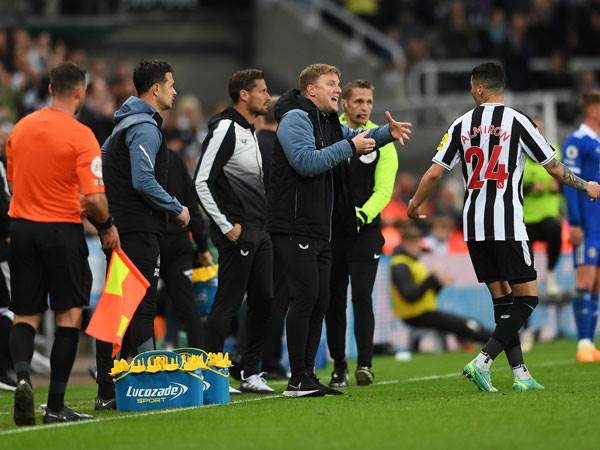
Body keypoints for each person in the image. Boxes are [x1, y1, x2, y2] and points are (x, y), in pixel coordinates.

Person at [407, 62, 600, 393]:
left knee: (503, 300)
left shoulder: (460, 124)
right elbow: (553, 168)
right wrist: (587, 186)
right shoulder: (519, 121)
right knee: (528, 299)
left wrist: (414, 203)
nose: (471, 91)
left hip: (473, 226)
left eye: (471, 86)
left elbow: (436, 173)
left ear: (480, 89)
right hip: (507, 222)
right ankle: (483, 360)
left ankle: (520, 374)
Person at [267, 63, 411, 398]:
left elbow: (356, 138)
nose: (337, 89)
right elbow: (306, 161)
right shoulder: (295, 119)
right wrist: (349, 149)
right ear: (311, 90)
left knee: (319, 299)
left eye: (338, 83)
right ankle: (297, 378)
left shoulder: (326, 121)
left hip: (318, 226)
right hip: (293, 224)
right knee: (305, 298)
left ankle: (306, 376)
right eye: (332, 84)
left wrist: (387, 133)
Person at [7, 62, 120, 425]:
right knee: (69, 313)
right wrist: (107, 226)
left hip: (21, 229)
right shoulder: (81, 135)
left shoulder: (20, 129)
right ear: (80, 92)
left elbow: (13, 178)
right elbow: (96, 201)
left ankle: (23, 376)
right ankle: (55, 404)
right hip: (61, 230)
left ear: (51, 88)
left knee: (25, 315)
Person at [96, 59, 190, 409]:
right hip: (138, 230)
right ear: (155, 89)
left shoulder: (121, 124)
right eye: (171, 83)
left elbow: (103, 165)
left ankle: (106, 391)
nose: (174, 90)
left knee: (115, 308)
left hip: (121, 228)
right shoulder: (144, 127)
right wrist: (175, 207)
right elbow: (143, 180)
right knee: (142, 307)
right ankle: (149, 387)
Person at [194, 69, 275, 394]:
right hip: (238, 233)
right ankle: (213, 373)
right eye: (262, 91)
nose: (267, 96)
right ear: (245, 95)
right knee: (227, 303)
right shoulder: (226, 127)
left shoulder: (249, 130)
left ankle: (249, 370)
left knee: (264, 300)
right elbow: (201, 179)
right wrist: (226, 225)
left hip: (259, 230)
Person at [326, 80, 398, 388]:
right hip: (331, 230)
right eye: (358, 101)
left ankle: (365, 364)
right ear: (344, 104)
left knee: (362, 298)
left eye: (368, 101)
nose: (364, 107)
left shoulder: (383, 139)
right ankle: (339, 366)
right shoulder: (330, 133)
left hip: (365, 231)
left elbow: (384, 188)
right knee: (333, 300)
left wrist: (361, 215)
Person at [391, 226, 492, 347]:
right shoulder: (400, 264)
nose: (419, 249)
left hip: (423, 312)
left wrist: (439, 283)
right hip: (416, 315)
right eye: (417, 244)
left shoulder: (411, 262)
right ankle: (497, 342)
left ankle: (494, 341)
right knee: (464, 324)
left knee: (465, 323)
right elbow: (410, 296)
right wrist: (432, 279)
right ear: (407, 243)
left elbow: (427, 294)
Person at [158, 148, 212, 349]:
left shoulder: (133, 158)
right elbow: (191, 203)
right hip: (177, 243)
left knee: (139, 307)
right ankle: (202, 364)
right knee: (188, 307)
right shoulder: (174, 158)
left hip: (150, 242)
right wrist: (202, 246)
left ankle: (123, 363)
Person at [562, 90, 600, 362]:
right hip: (586, 223)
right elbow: (570, 184)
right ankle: (583, 344)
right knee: (585, 279)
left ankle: (589, 343)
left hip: (599, 222)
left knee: (597, 283)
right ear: (593, 110)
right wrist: (574, 222)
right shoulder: (577, 141)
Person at [523, 117, 563, 297]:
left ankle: (551, 274)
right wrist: (531, 187)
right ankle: (528, 285)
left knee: (555, 230)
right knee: (524, 258)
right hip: (525, 217)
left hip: (548, 213)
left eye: (540, 129)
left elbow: (565, 176)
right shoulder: (519, 155)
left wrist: (559, 185)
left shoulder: (555, 152)